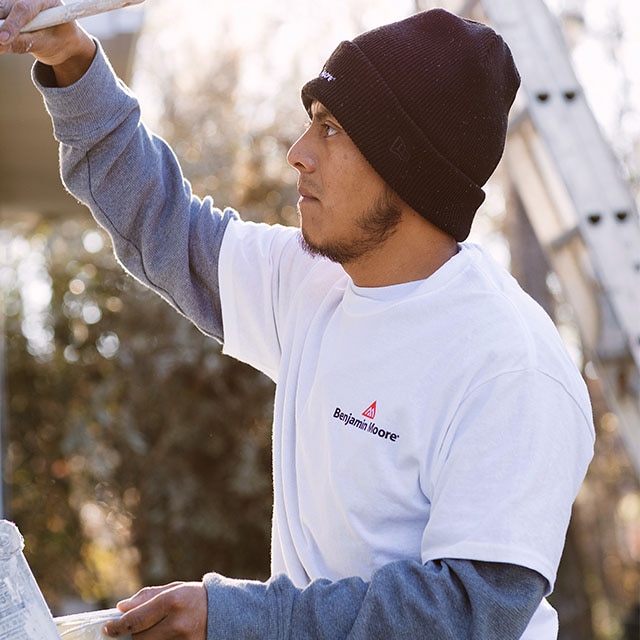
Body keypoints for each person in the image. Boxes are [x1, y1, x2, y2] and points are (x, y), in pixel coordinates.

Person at [1, 2, 595, 638]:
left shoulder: (511, 369)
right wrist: (75, 64)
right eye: (311, 122)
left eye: (333, 129)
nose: (297, 152)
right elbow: (163, 226)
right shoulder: (315, 282)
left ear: (410, 168)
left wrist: (237, 619)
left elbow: (466, 616)